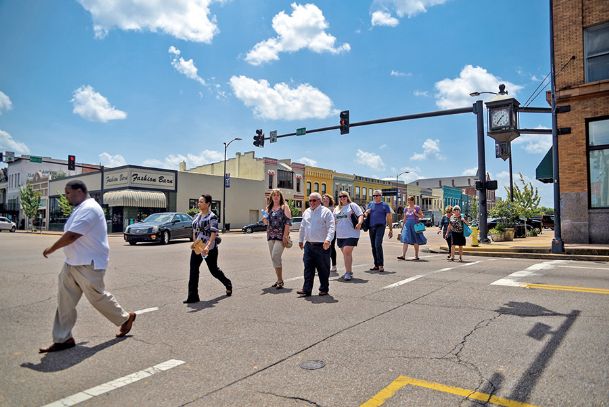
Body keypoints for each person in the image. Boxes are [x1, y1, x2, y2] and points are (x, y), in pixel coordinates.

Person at [40, 180, 136, 353]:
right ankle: (63, 338)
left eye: (68, 193)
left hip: (88, 263)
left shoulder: (90, 208)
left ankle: (125, 318)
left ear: (79, 191)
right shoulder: (80, 209)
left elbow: (72, 235)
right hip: (72, 263)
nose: (66, 196)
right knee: (65, 301)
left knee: (97, 298)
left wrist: (51, 248)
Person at [184, 194, 232, 303]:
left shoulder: (212, 217)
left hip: (209, 248)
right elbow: (195, 230)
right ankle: (193, 296)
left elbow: (213, 233)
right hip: (198, 247)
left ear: (208, 204)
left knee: (213, 270)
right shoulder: (196, 216)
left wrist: (207, 246)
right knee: (193, 270)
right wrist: (194, 242)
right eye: (199, 201)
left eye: (201, 202)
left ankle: (227, 283)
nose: (199, 203)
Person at [297, 192, 335, 297]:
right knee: (308, 268)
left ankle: (324, 289)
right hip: (309, 245)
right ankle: (306, 289)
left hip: (322, 246)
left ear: (319, 201)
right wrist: (301, 240)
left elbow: (331, 227)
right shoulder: (306, 212)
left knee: (323, 269)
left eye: (314, 200)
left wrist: (328, 240)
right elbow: (302, 227)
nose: (312, 202)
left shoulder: (326, 212)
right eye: (310, 200)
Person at [261, 189, 292, 289]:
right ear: (271, 197)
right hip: (270, 235)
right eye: (274, 195)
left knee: (275, 256)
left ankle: (280, 280)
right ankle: (279, 279)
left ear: (280, 197)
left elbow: (288, 223)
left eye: (278, 195)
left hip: (280, 235)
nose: (276, 197)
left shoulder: (284, 207)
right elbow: (265, 222)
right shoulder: (268, 208)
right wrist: (264, 218)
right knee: (274, 258)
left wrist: (285, 236)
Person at [333, 191, 363, 281]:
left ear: (347, 197)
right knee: (346, 254)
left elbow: (360, 215)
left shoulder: (352, 205)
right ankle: (349, 270)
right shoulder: (336, 209)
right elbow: (333, 221)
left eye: (344, 196)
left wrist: (360, 223)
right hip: (340, 234)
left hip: (352, 233)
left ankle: (347, 273)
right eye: (340, 196)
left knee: (346, 251)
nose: (342, 198)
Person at [365, 189, 393, 272]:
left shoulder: (385, 205)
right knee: (373, 246)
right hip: (371, 227)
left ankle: (381, 265)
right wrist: (366, 212)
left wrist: (390, 229)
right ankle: (376, 265)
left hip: (380, 226)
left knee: (378, 244)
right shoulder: (370, 204)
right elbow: (365, 215)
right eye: (374, 195)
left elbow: (389, 217)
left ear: (381, 196)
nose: (375, 197)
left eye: (377, 195)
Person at [397, 196, 427, 260]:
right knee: (405, 240)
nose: (409, 202)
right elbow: (405, 218)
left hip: (415, 225)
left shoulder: (417, 208)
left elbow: (422, 216)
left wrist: (416, 214)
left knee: (415, 240)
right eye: (408, 200)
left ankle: (416, 256)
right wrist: (402, 228)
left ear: (413, 201)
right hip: (407, 225)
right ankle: (403, 255)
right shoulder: (406, 209)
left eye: (410, 200)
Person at [322, 194, 338, 273]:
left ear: (330, 200)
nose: (325, 200)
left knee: (331, 248)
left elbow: (335, 221)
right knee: (320, 248)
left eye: (326, 199)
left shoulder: (333, 209)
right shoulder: (319, 209)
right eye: (323, 199)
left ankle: (334, 265)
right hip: (322, 232)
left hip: (332, 231)